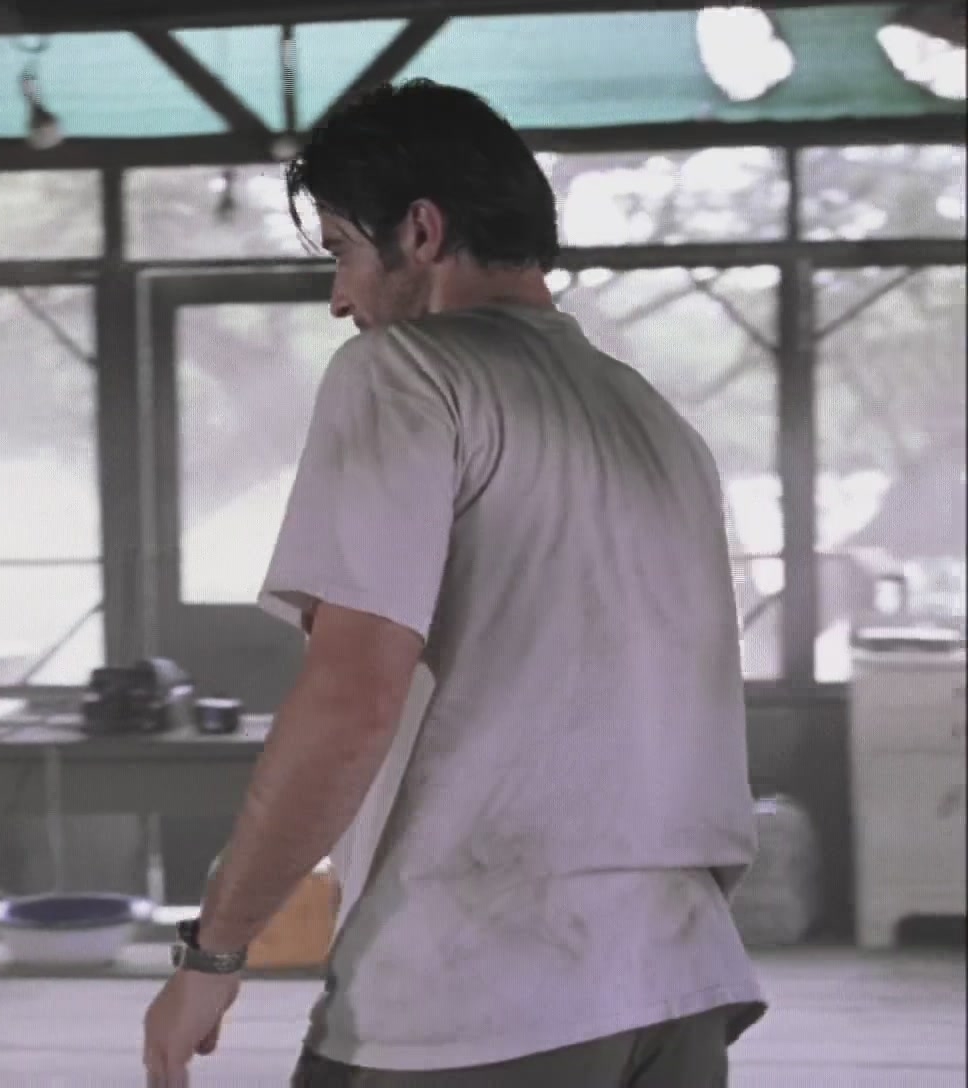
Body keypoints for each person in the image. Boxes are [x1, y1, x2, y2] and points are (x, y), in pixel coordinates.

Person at [141, 79, 767, 1088]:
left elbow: (352, 700)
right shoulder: (654, 418)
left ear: (421, 232)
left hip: (478, 990)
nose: (340, 298)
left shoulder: (404, 373)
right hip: (677, 984)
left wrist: (213, 952)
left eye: (342, 250)